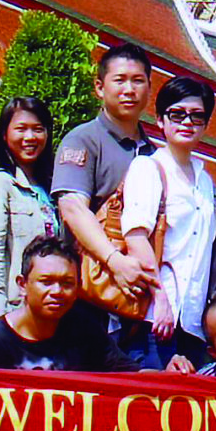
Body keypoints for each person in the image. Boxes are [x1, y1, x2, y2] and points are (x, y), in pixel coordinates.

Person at [118, 75, 216, 368]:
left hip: (192, 320)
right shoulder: (148, 167)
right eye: (177, 114)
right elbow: (136, 237)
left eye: (197, 116)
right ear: (160, 121)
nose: (187, 122)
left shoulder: (205, 180)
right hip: (155, 316)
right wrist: (160, 299)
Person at [53, 44, 157, 309]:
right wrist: (115, 261)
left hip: (139, 292)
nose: (129, 90)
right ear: (99, 87)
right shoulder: (83, 140)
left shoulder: (155, 154)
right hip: (90, 288)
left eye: (138, 81)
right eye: (119, 80)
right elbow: (73, 209)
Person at [0, 236, 148, 373]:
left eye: (67, 283)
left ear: (78, 288)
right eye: (46, 282)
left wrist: (170, 373)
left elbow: (130, 374)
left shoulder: (84, 330)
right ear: (22, 285)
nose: (57, 292)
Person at [0, 96, 61, 326]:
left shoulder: (52, 188)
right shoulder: (1, 185)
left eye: (38, 129)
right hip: (13, 311)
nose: (30, 137)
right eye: (21, 129)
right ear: (5, 135)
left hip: (48, 314)